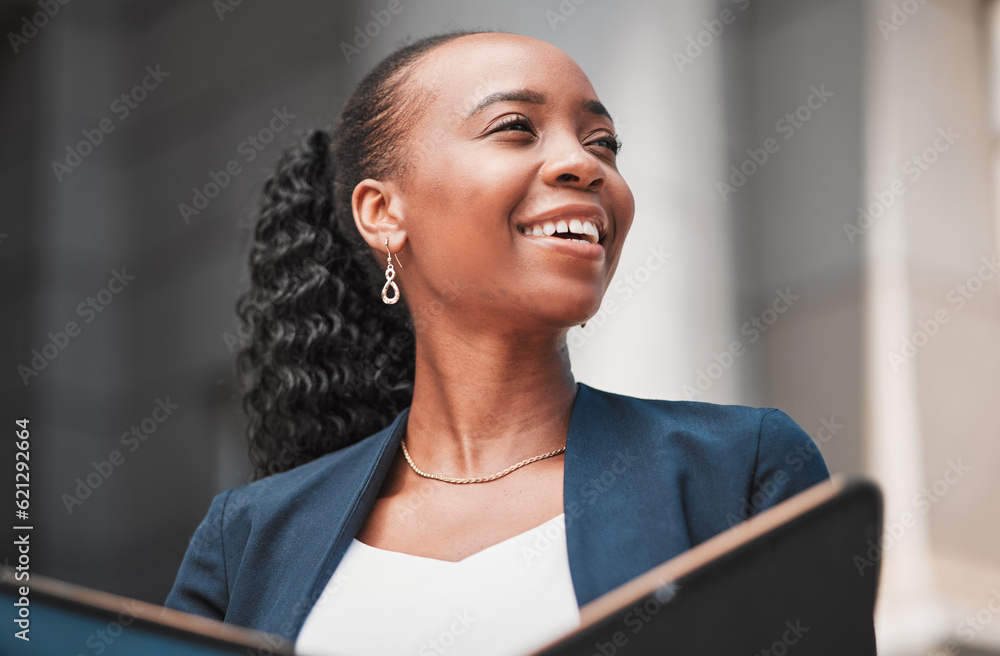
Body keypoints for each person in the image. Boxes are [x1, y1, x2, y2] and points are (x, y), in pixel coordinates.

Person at [164, 30, 829, 656]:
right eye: (515, 127)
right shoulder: (250, 538)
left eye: (603, 142)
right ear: (382, 213)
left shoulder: (739, 471)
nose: (585, 165)